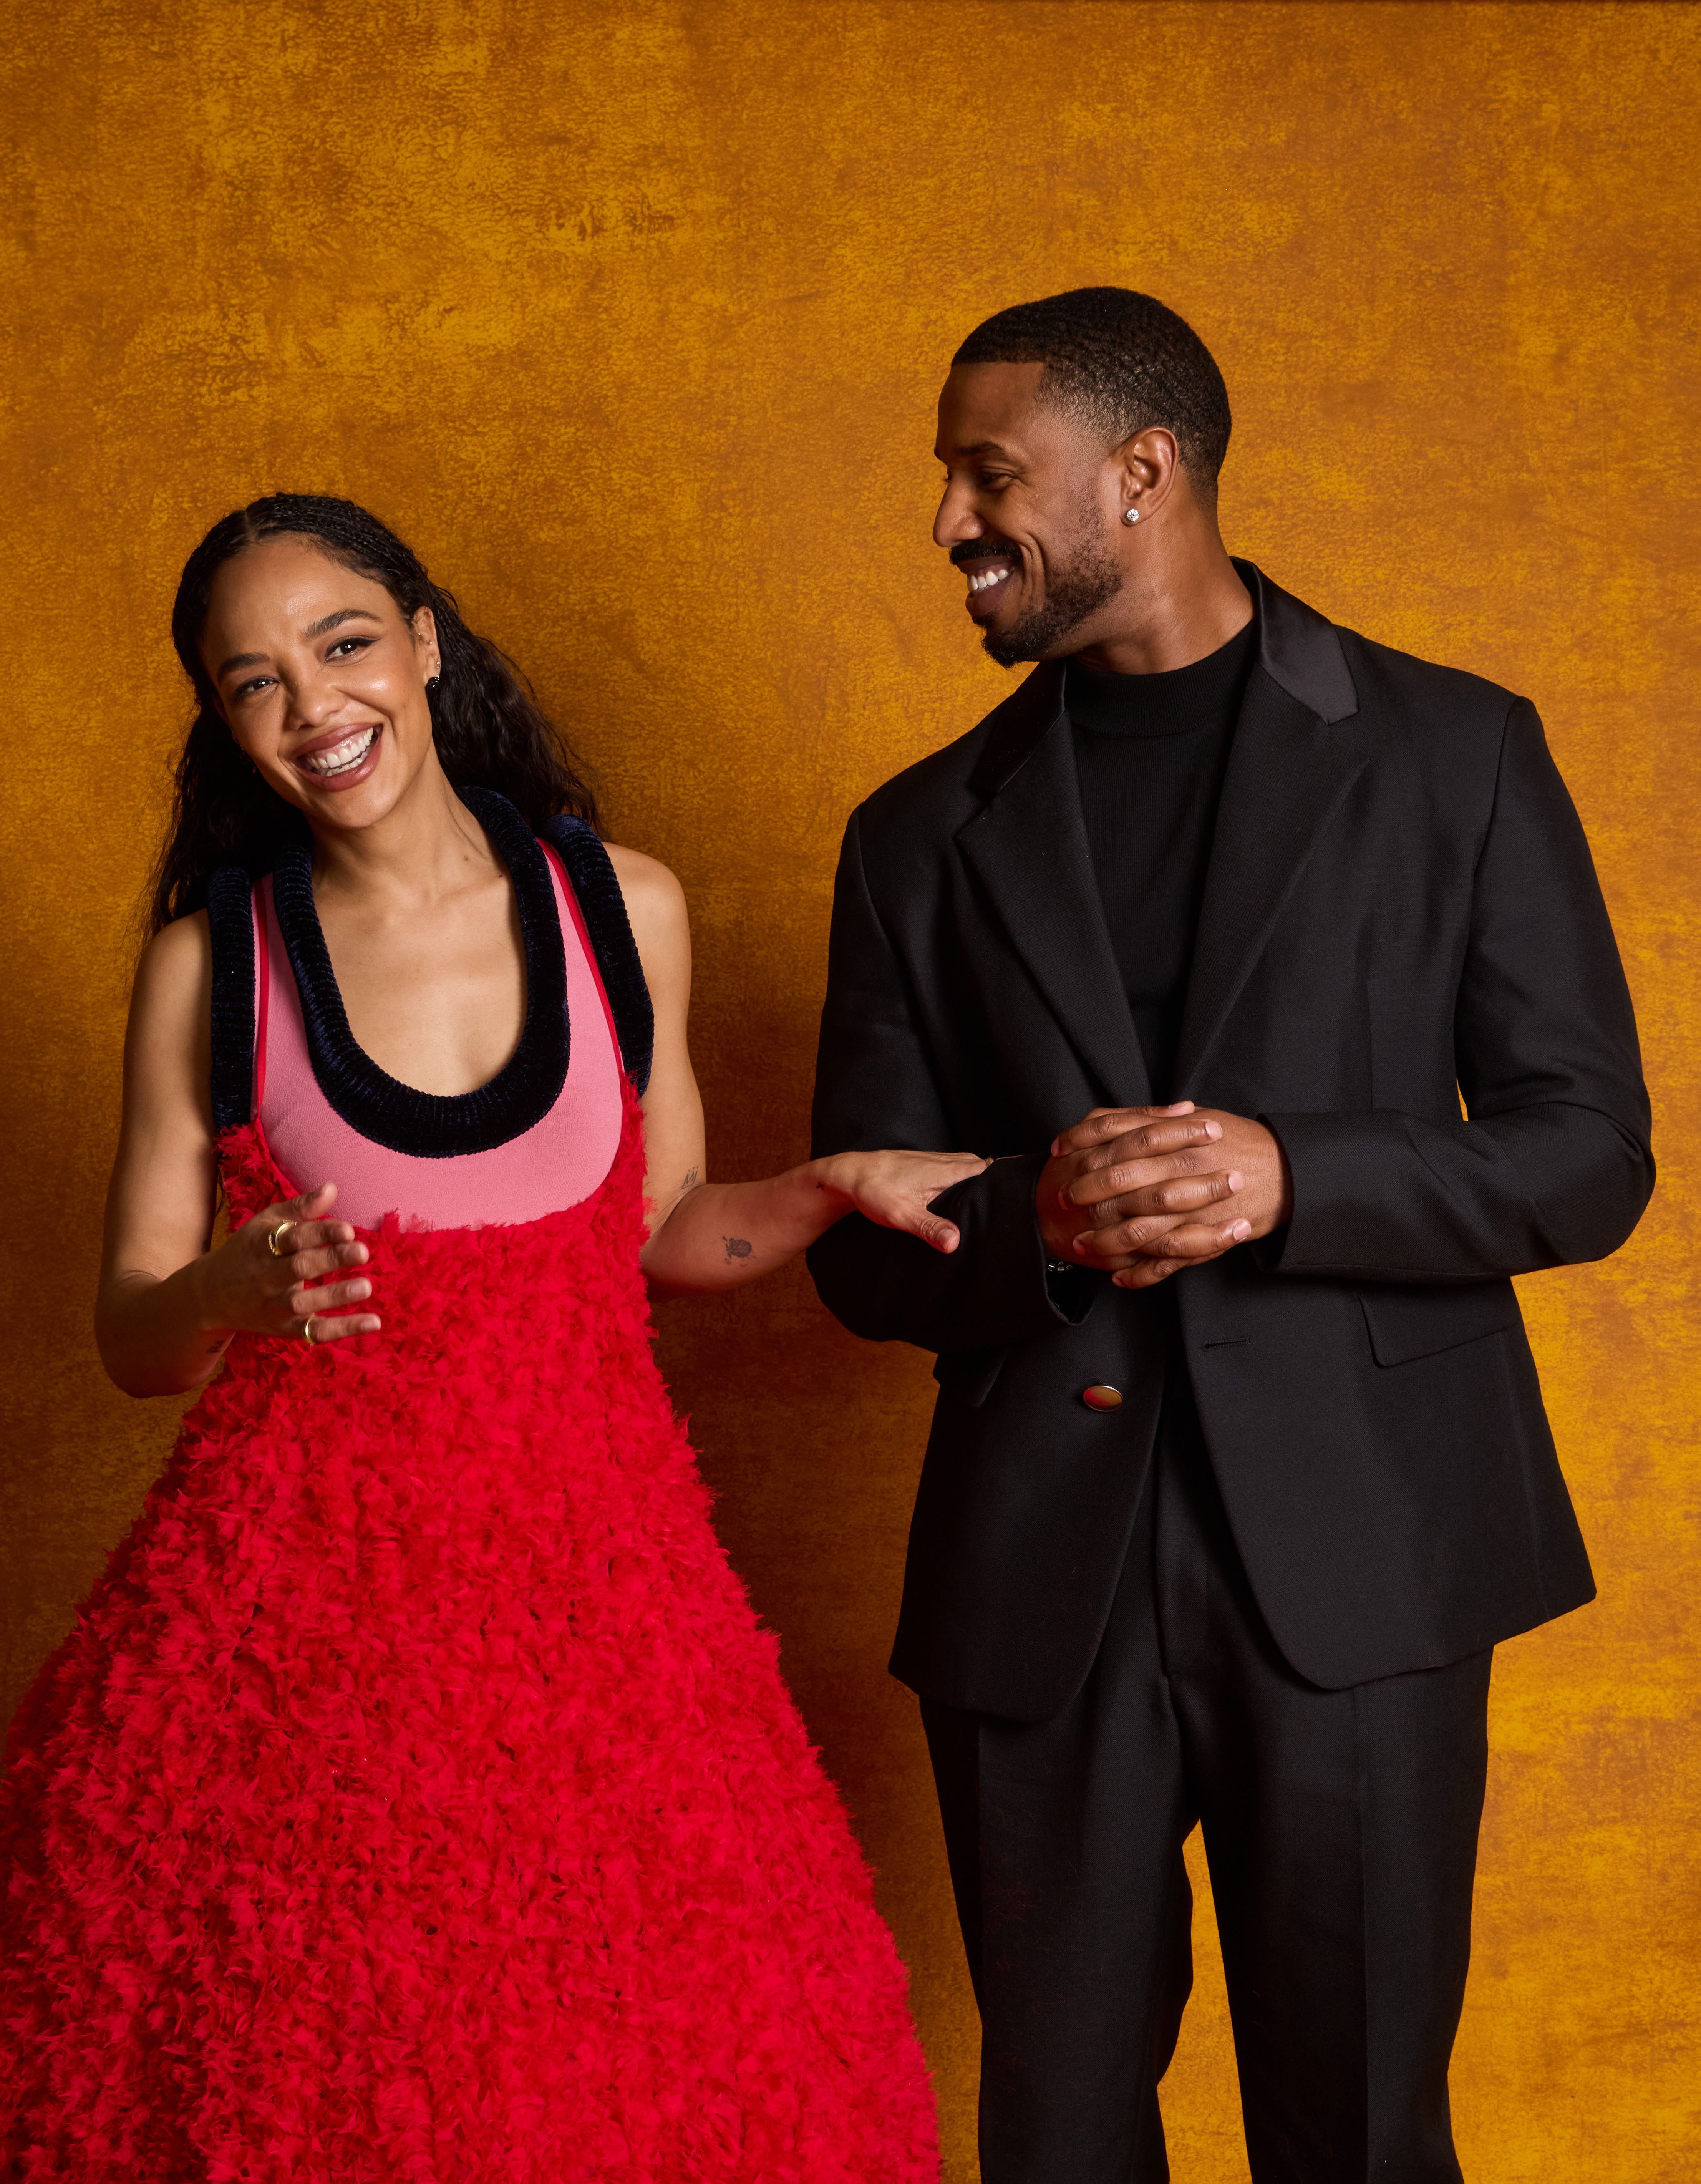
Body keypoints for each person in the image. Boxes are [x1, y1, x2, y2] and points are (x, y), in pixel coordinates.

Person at [0, 494, 964, 2179]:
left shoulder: (624, 911)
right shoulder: (209, 969)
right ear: (228, 727)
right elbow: (133, 1338)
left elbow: (661, 1233)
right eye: (253, 683)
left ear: (428, 641)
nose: (312, 704)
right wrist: (230, 1288)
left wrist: (822, 1189)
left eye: (345, 643)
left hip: (602, 1619)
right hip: (296, 1651)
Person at [807, 289, 1653, 2182]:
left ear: (1144, 473)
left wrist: (1297, 1176)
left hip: (1369, 1563)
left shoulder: (1457, 754)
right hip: (1043, 1578)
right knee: (1057, 2134)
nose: (949, 522)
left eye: (986, 473)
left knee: (1359, 2127)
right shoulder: (917, 834)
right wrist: (1024, 1217)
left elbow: (1589, 1152)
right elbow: (856, 1248)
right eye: (948, 478)